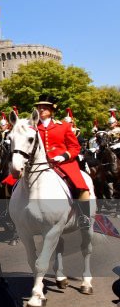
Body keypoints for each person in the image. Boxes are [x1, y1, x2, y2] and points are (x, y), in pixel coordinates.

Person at [34, 96, 91, 228]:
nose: (41, 109)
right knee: (10, 182)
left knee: (80, 187)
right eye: (39, 107)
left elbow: (75, 147)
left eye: (45, 107)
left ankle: (84, 217)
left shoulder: (63, 126)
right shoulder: (33, 128)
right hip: (38, 164)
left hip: (63, 164)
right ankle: (10, 215)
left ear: (52, 110)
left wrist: (64, 156)